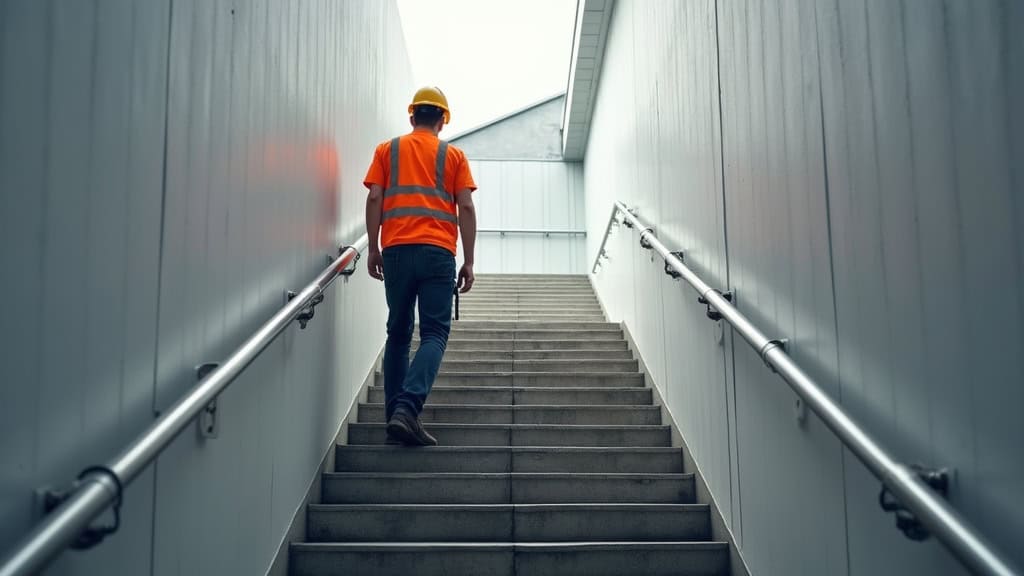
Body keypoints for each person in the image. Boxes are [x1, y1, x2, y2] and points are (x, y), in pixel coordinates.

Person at [363, 86, 477, 446]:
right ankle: (407, 410)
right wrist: (470, 261)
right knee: (433, 334)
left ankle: (394, 418)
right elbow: (467, 208)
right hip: (437, 253)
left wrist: (372, 249)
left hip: (395, 250)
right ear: (443, 121)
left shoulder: (387, 150)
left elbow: (375, 196)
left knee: (397, 334)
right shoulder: (454, 156)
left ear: (412, 116)